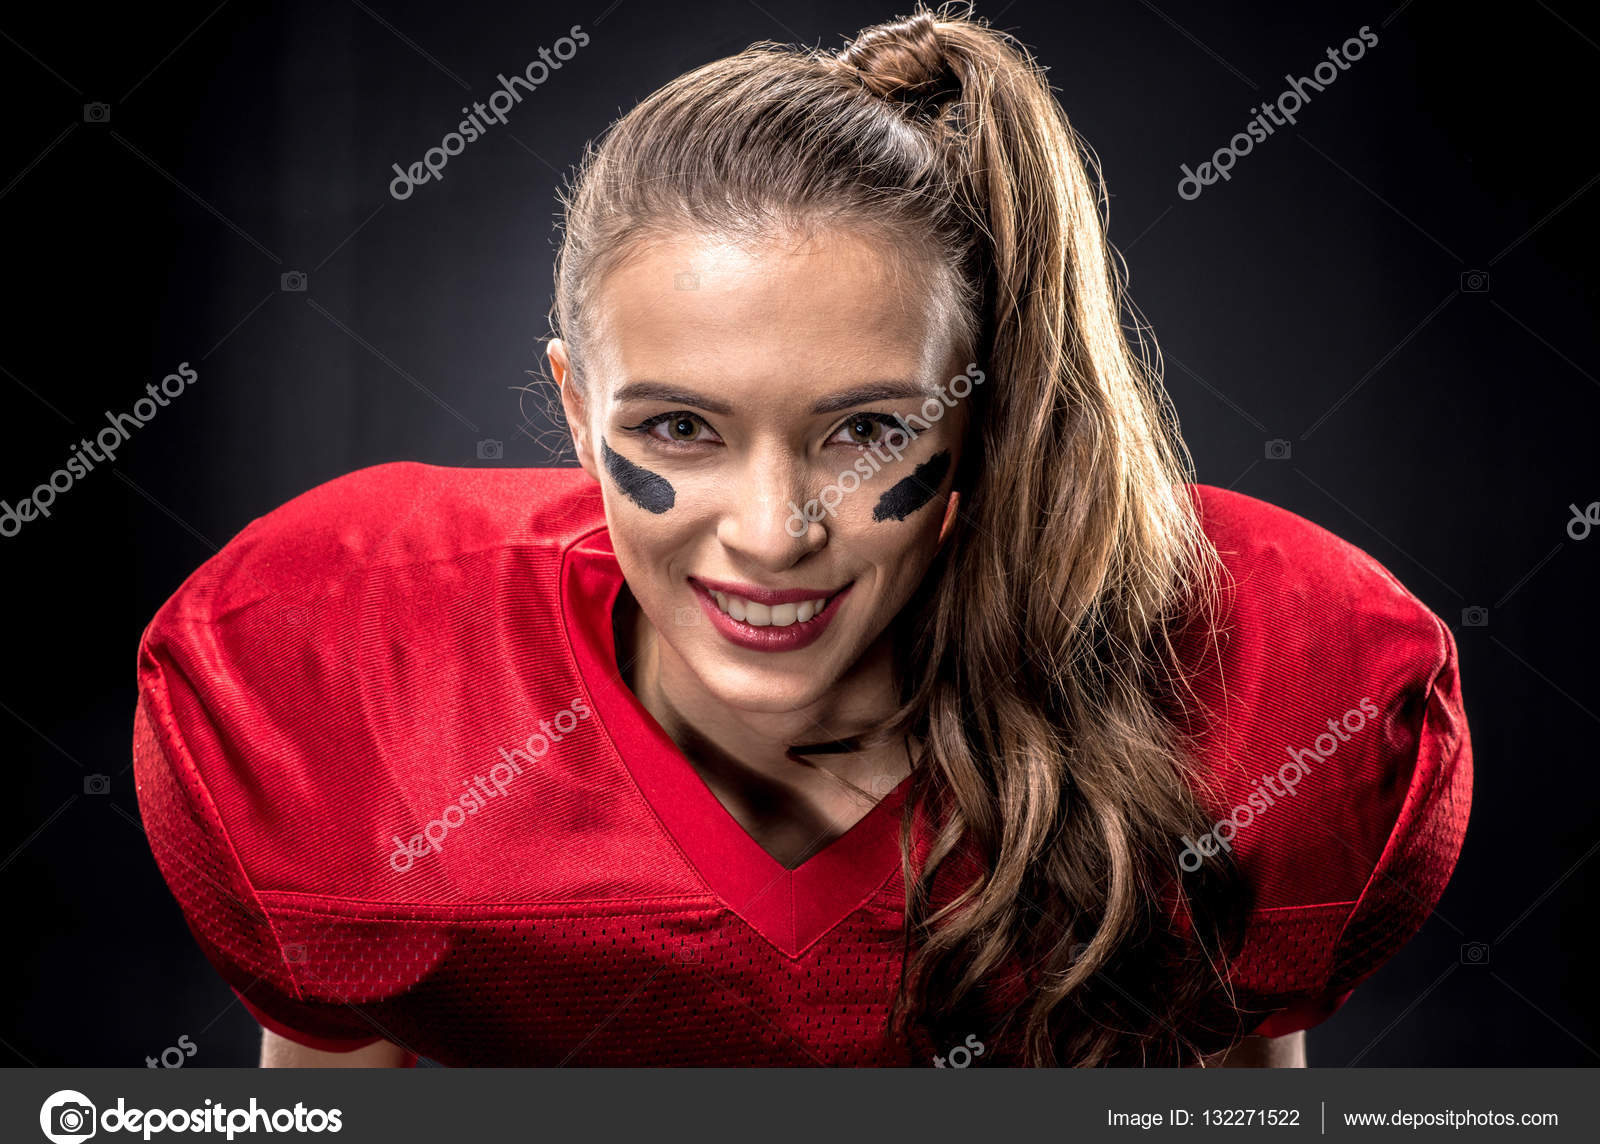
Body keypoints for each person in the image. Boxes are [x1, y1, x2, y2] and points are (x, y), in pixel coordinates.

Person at [131, 4, 1471, 1068]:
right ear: (572, 403)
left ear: (977, 418)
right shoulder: (354, 688)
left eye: (867, 431)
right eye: (678, 431)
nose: (773, 534)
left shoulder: (1255, 685)